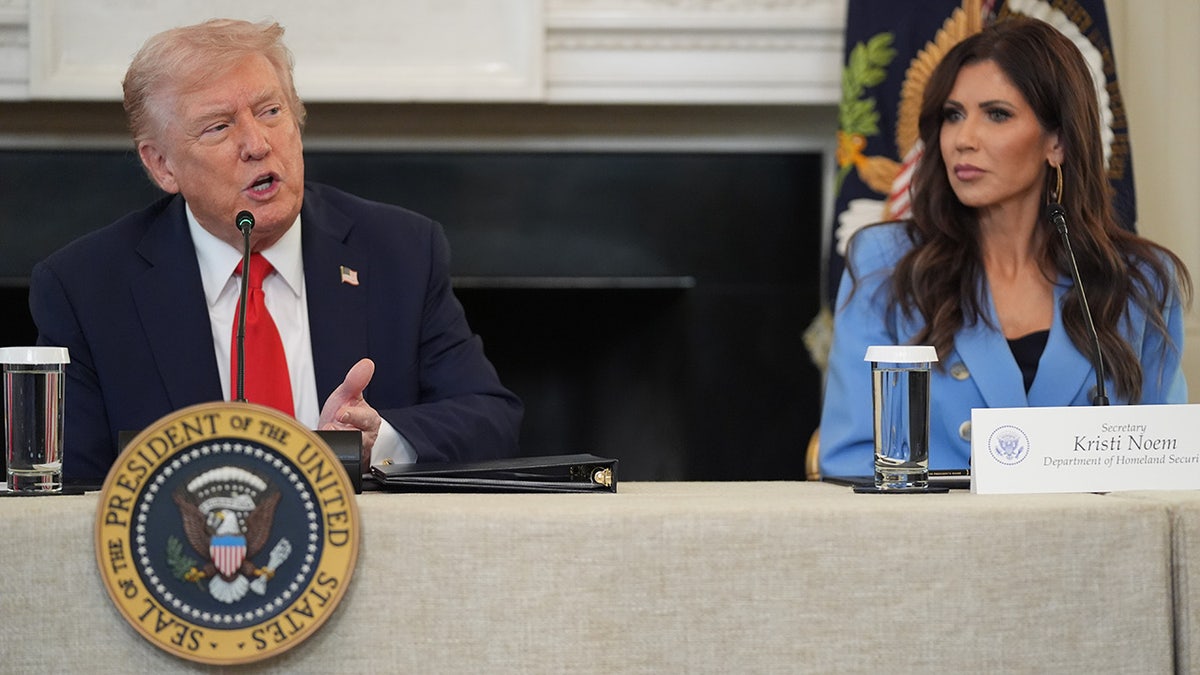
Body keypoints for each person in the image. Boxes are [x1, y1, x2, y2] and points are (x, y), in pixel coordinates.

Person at [29, 18, 522, 486]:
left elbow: (490, 418)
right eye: (218, 127)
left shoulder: (399, 251)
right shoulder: (88, 288)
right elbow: (72, 489)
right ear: (162, 166)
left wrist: (380, 442)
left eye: (270, 112)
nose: (257, 144)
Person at [818, 16, 1191, 478]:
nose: (963, 140)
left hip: (1094, 544)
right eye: (953, 115)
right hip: (937, 542)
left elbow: (1166, 464)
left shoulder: (1140, 281)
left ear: (1057, 142)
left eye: (997, 114)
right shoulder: (884, 264)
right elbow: (850, 459)